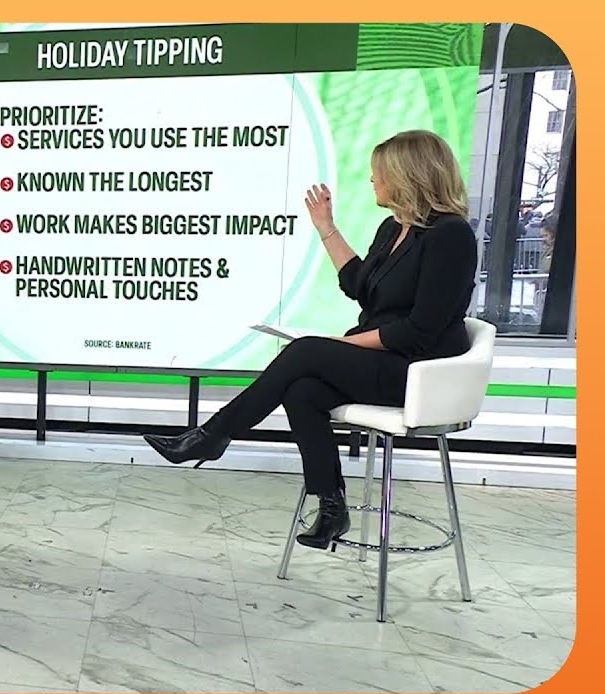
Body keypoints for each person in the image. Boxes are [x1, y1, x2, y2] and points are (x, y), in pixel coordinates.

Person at [143, 129, 478, 551]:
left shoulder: (451, 236)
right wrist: (326, 228)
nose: (372, 180)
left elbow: (419, 332)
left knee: (305, 352)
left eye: (379, 173)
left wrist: (341, 345)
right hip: (386, 362)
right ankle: (332, 508)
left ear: (407, 176)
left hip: (420, 373)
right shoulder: (393, 228)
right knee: (302, 390)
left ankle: (213, 436)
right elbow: (360, 286)